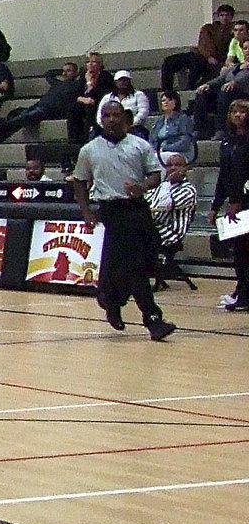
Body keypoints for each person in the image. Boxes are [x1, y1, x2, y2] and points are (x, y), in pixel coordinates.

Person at [71, 100, 175, 340]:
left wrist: (142, 187)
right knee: (133, 265)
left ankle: (111, 300)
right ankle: (152, 318)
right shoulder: (90, 149)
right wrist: (86, 210)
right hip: (112, 210)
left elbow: (155, 175)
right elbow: (79, 180)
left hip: (137, 209)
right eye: (106, 115)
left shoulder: (139, 145)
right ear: (101, 118)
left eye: (116, 115)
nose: (111, 119)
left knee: (140, 261)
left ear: (124, 118)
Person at [209, 99, 249, 311]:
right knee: (240, 252)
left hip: (246, 202)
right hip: (235, 204)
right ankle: (242, 290)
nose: (237, 115)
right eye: (234, 111)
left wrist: (239, 201)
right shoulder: (228, 142)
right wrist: (215, 205)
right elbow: (224, 175)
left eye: (242, 111)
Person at [0, 61, 82, 144]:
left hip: (51, 110)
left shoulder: (77, 85)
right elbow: (48, 74)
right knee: (21, 115)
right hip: (41, 104)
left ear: (75, 73)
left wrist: (79, 73)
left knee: (24, 117)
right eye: (63, 71)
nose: (64, 74)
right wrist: (62, 71)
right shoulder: (58, 83)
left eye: (68, 71)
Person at [145, 152, 198, 290]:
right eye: (169, 165)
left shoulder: (188, 190)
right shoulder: (160, 187)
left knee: (134, 239)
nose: (173, 168)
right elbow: (146, 202)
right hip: (154, 227)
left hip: (170, 231)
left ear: (185, 168)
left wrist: (166, 185)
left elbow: (162, 206)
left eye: (178, 165)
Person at [190, 19, 249, 139]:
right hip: (226, 92)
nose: (247, 51)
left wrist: (235, 82)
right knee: (203, 92)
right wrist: (208, 85)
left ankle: (222, 129)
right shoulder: (237, 67)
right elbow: (221, 79)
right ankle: (199, 129)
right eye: (245, 48)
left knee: (225, 90)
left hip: (242, 93)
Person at [160, 5, 236, 93]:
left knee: (197, 64)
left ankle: (190, 88)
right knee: (169, 61)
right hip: (200, 54)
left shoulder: (234, 31)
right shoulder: (208, 28)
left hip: (216, 61)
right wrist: (208, 56)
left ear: (231, 17)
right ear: (218, 16)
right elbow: (204, 43)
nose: (224, 18)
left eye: (227, 15)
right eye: (222, 15)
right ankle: (166, 91)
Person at [68, 52, 115, 143]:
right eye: (88, 62)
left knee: (91, 107)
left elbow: (102, 94)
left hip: (99, 103)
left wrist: (89, 84)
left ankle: (89, 135)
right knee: (72, 109)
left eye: (93, 62)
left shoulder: (106, 76)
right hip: (86, 102)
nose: (90, 64)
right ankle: (73, 141)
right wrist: (83, 99)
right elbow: (75, 94)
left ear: (100, 64)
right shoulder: (83, 76)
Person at [148, 91, 197, 165]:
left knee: (157, 159)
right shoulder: (158, 120)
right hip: (159, 153)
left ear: (176, 102)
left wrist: (164, 149)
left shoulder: (183, 119)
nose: (166, 102)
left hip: (179, 153)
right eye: (163, 100)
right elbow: (152, 139)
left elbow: (185, 142)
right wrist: (154, 149)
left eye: (169, 100)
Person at [97, 71, 150, 138]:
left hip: (134, 129)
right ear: (115, 82)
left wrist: (128, 126)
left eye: (126, 80)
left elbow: (143, 112)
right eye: (120, 80)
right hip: (111, 130)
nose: (123, 82)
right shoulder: (107, 97)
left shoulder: (139, 95)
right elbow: (99, 115)